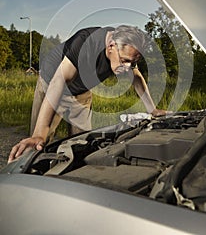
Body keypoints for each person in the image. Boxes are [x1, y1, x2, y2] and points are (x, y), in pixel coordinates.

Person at [8, 25, 168, 162]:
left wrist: (152, 110)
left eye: (132, 63)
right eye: (125, 61)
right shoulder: (86, 42)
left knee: (83, 143)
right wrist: (38, 134)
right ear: (111, 46)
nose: (127, 67)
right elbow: (59, 82)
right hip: (53, 85)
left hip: (82, 91)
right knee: (39, 144)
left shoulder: (125, 47)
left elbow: (136, 77)